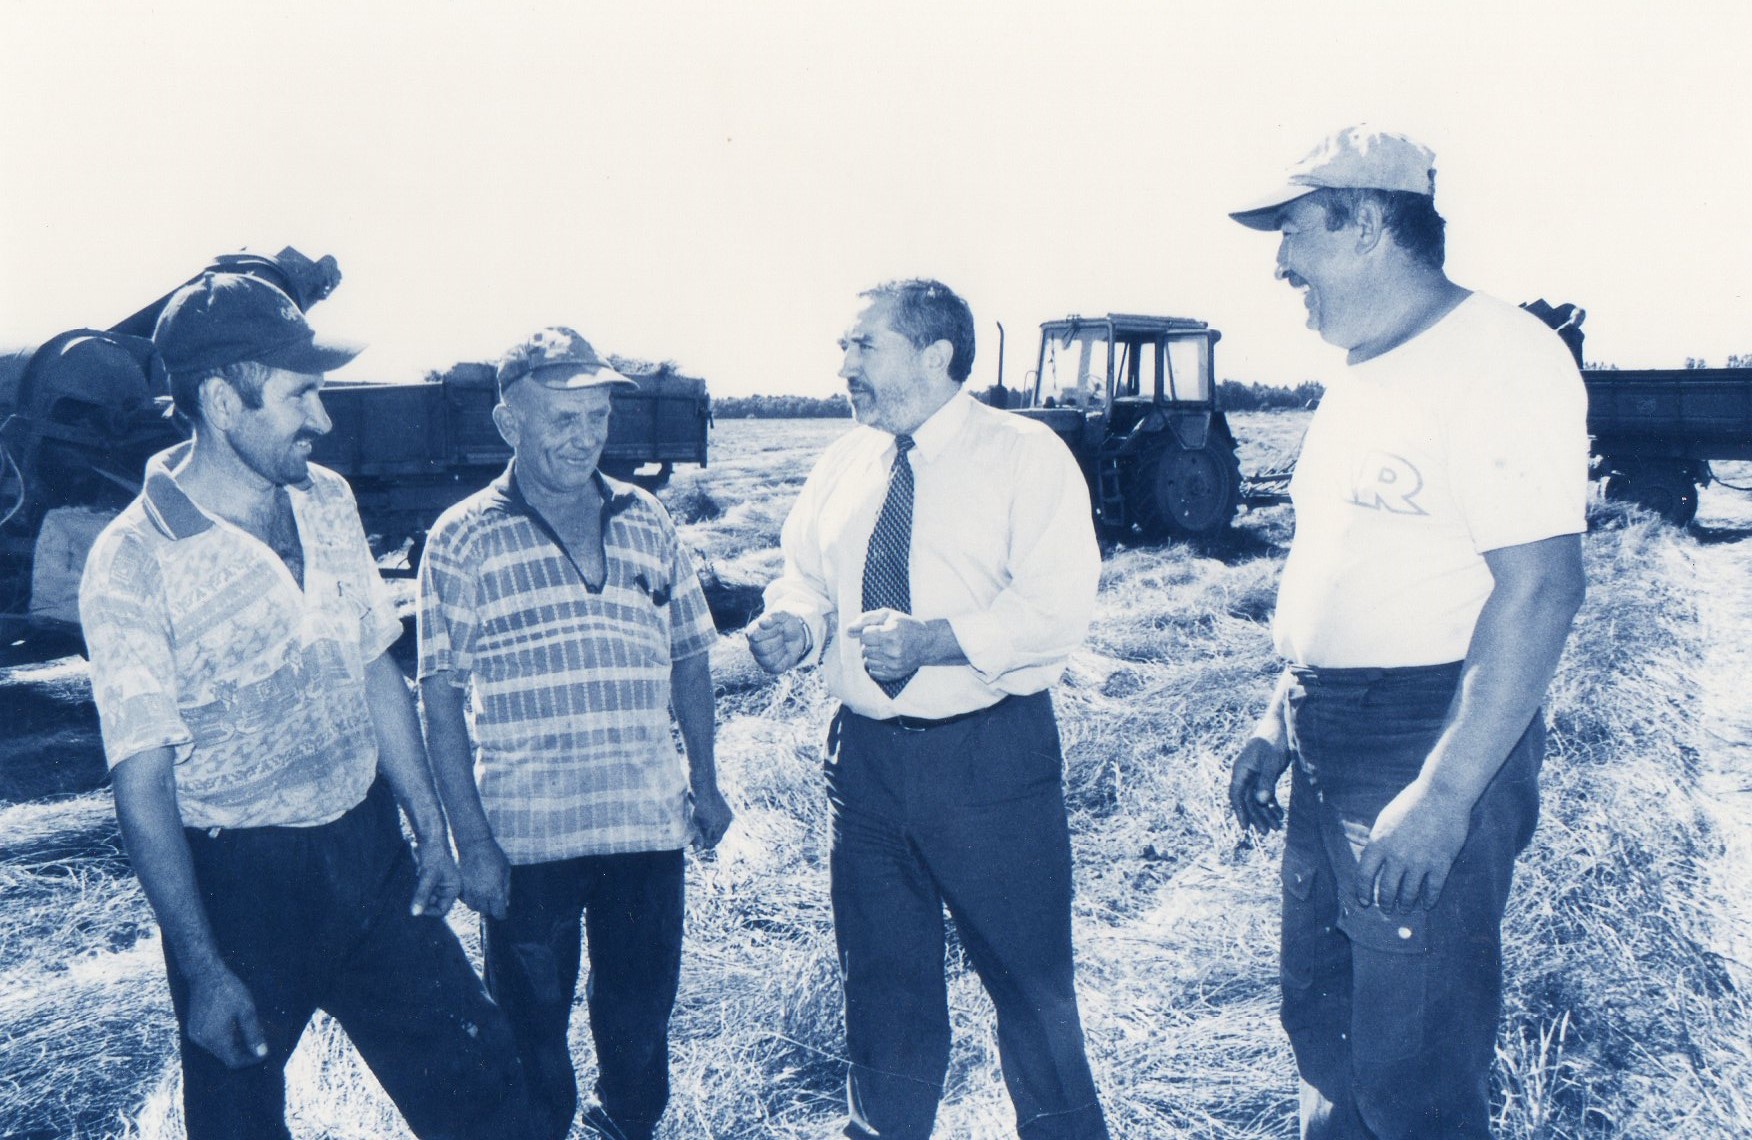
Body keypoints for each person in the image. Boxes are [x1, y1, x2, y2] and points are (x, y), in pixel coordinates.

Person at [78, 272, 530, 1140]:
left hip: (368, 856)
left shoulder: (327, 500)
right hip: (241, 890)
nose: (322, 420)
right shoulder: (131, 559)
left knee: (486, 1094)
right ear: (221, 398)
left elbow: (372, 665)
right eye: (301, 395)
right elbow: (142, 786)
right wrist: (204, 970)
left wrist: (428, 830)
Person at [1225, 126, 1590, 1139]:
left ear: (1370, 224)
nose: (1280, 261)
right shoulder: (1359, 374)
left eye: (1294, 230)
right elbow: (1346, 562)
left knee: (1414, 1064)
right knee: (1327, 1026)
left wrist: (1445, 793)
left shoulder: (1501, 358)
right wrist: (1278, 715)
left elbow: (1543, 591)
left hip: (1428, 731)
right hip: (1328, 729)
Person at [750, 279, 1109, 1140]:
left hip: (990, 760)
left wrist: (934, 641)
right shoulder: (845, 461)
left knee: (1031, 992)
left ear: (936, 354)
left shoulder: (1025, 455)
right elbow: (805, 574)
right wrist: (797, 626)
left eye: (862, 346)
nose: (843, 367)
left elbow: (1058, 609)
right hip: (865, 766)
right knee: (881, 990)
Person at [416, 326, 731, 1140]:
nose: (584, 436)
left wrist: (708, 779)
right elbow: (440, 696)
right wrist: (469, 840)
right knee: (530, 1034)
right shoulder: (462, 536)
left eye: (595, 417)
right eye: (562, 418)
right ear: (508, 424)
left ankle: (627, 1126)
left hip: (644, 824)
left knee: (639, 1019)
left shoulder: (648, 516)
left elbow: (690, 655)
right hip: (528, 840)